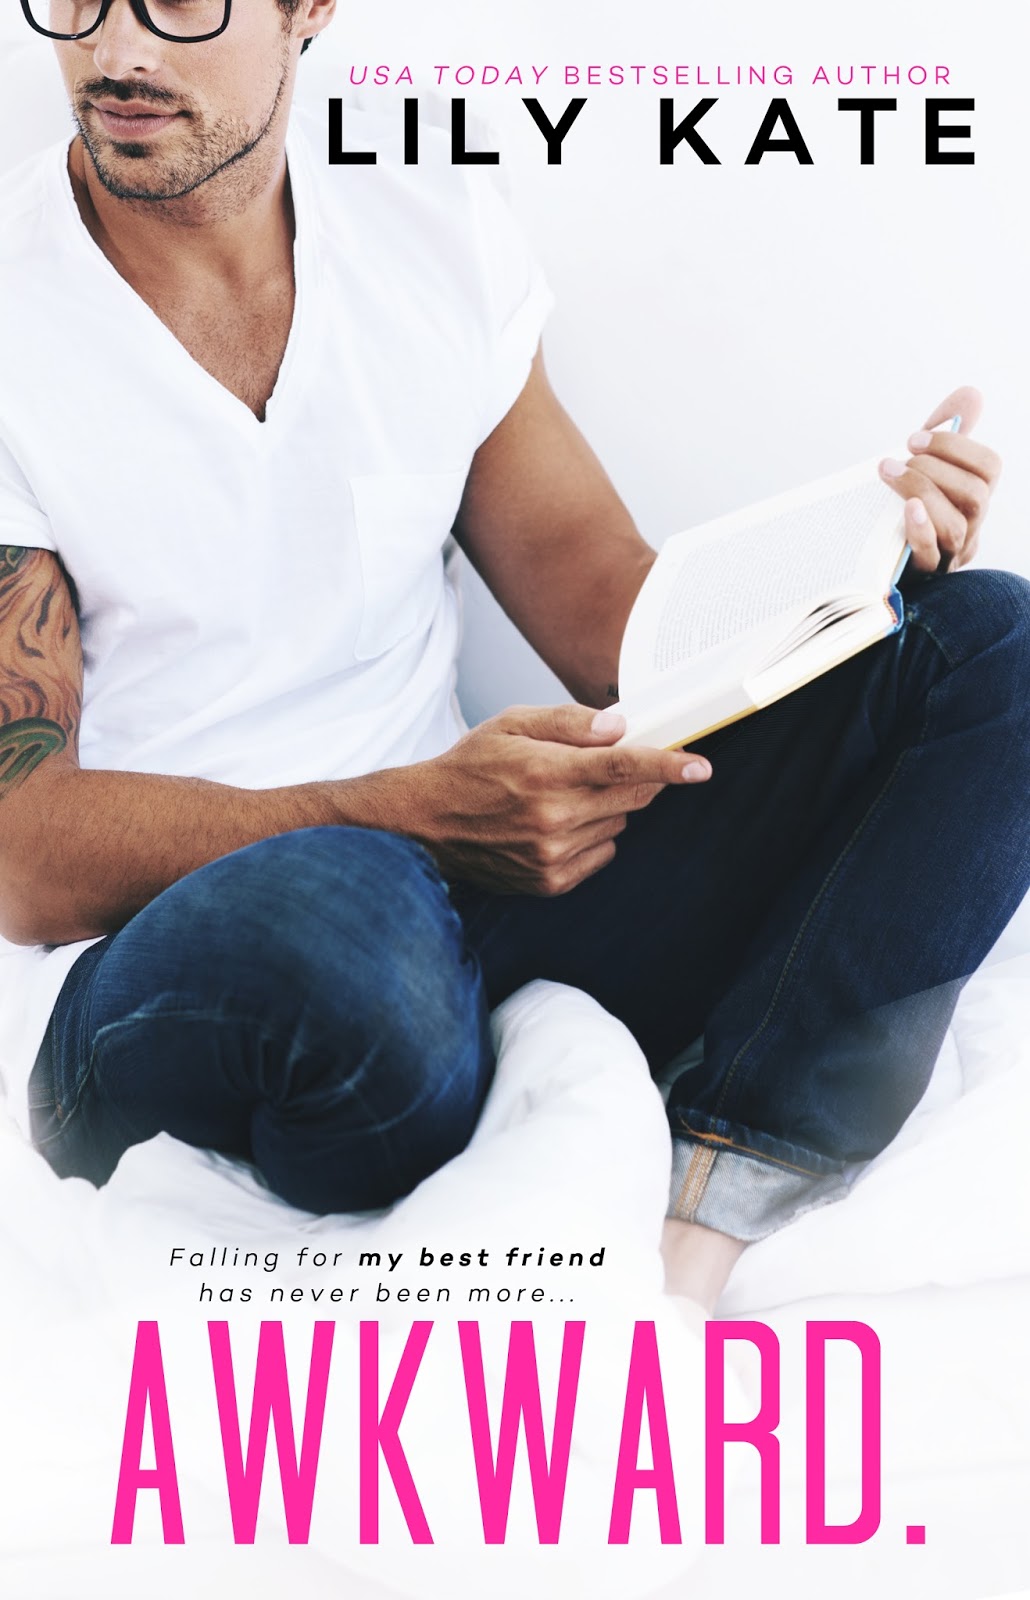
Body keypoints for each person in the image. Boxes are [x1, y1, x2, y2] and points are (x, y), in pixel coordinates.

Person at [0, 0, 1026, 1316]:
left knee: (982, 644)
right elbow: (23, 855)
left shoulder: (427, 236)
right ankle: (436, 1038)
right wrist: (405, 816)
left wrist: (854, 558)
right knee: (348, 915)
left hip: (468, 894)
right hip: (175, 956)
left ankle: (713, 1200)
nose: (116, 50)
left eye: (179, 0)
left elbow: (605, 613)